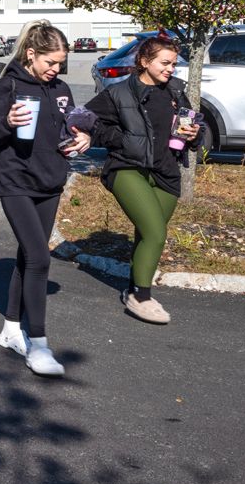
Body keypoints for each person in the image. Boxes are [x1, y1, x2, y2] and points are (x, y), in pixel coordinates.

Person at [0, 21, 91, 377]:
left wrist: (81, 139)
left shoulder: (61, 90)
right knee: (40, 257)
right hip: (15, 181)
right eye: (50, 62)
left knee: (28, 256)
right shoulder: (7, 86)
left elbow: (67, 129)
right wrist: (7, 122)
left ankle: (11, 329)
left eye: (60, 63)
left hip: (49, 180)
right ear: (31, 54)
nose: (56, 69)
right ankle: (39, 345)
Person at [82, 35, 199, 325]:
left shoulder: (175, 91)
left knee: (146, 234)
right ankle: (141, 298)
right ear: (145, 62)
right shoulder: (119, 93)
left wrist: (195, 134)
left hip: (165, 172)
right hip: (127, 168)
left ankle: (133, 289)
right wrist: (119, 139)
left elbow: (195, 127)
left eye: (173, 64)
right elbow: (83, 118)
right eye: (165, 63)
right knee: (156, 233)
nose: (170, 69)